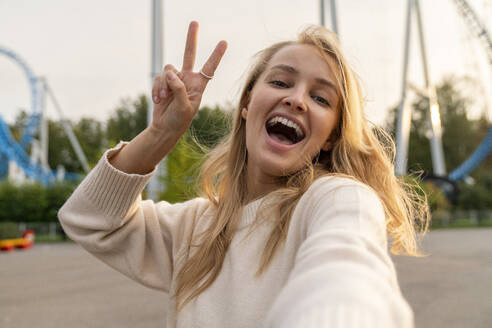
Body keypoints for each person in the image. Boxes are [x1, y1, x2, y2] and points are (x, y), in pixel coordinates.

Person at [58, 21, 429, 328]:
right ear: (248, 104)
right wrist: (161, 134)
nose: (297, 99)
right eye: (282, 82)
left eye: (320, 98)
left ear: (331, 135)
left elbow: (350, 279)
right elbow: (89, 220)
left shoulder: (336, 200)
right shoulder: (196, 226)